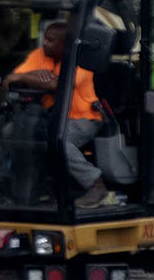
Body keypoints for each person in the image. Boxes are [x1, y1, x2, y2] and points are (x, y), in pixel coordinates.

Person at [9, 17, 113, 208]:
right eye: (45, 38)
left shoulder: (82, 62)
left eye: (50, 40)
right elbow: (11, 77)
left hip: (84, 119)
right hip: (51, 117)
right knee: (12, 132)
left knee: (60, 141)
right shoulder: (40, 55)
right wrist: (27, 76)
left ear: (65, 44)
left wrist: (32, 78)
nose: (44, 43)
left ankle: (96, 186)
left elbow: (58, 84)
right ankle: (36, 188)